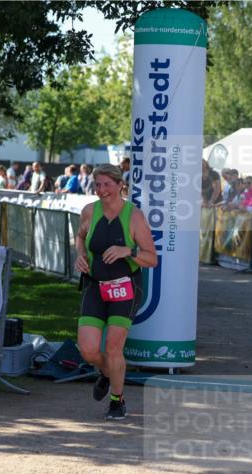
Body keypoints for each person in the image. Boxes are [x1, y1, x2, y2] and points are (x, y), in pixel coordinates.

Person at [75, 164, 158, 421]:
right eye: (97, 185)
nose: (101, 190)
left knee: (113, 347)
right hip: (94, 285)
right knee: (88, 349)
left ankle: (117, 400)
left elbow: (151, 259)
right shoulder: (89, 211)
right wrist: (80, 255)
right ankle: (109, 372)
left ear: (120, 185)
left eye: (107, 185)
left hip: (125, 288)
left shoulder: (134, 217)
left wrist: (128, 251)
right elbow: (80, 237)